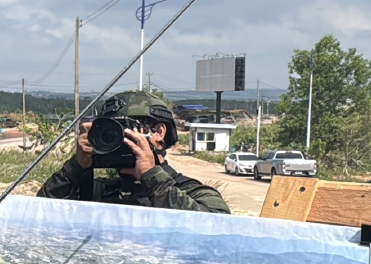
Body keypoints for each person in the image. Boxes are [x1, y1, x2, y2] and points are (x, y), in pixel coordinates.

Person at [37, 91, 231, 213]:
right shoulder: (98, 191)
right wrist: (77, 166)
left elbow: (215, 227)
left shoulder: (193, 192)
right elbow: (40, 212)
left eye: (126, 128)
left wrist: (152, 176)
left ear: (158, 133)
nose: (120, 138)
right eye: (110, 132)